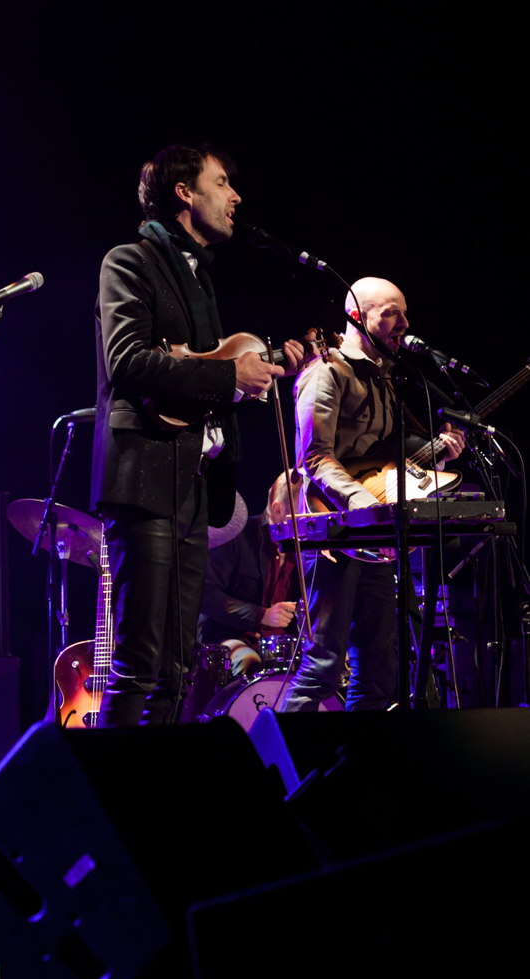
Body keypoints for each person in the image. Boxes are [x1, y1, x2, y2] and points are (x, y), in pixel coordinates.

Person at [91, 143, 305, 726]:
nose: (235, 197)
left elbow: (207, 370)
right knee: (139, 658)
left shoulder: (198, 279)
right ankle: (113, 805)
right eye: (221, 183)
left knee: (178, 665)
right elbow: (127, 360)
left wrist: (245, 380)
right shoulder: (128, 260)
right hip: (144, 474)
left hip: (191, 479)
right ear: (184, 193)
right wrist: (225, 375)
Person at [281, 276, 465, 712]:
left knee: (379, 668)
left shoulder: (385, 381)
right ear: (357, 318)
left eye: (404, 312)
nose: (403, 323)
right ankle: (274, 772)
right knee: (325, 665)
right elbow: (315, 457)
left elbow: (384, 460)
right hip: (334, 533)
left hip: (373, 536)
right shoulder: (325, 372)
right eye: (391, 314)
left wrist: (439, 454)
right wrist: (361, 502)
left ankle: (360, 769)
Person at [199, 472, 302, 676]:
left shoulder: (307, 545)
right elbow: (205, 594)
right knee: (249, 662)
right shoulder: (237, 535)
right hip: (232, 635)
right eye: (303, 511)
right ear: (278, 509)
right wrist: (261, 615)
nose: (309, 519)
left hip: (285, 643)